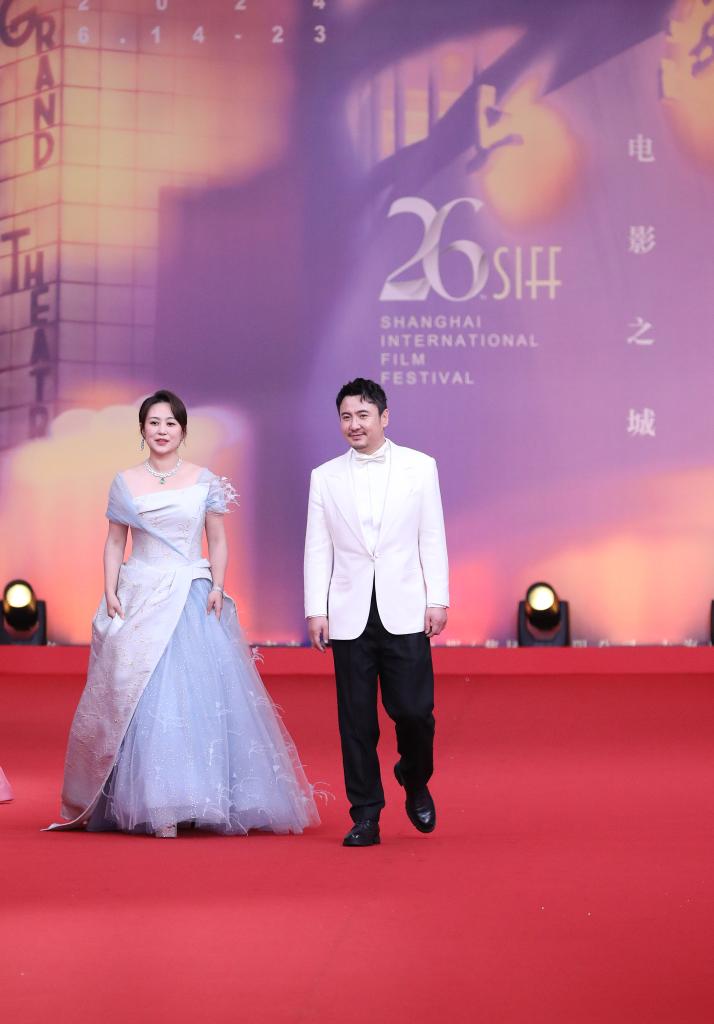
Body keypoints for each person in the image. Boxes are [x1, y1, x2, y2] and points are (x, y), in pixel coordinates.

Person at [49, 389, 319, 838]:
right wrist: (110, 589)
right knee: (140, 697)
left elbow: (218, 539)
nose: (162, 430)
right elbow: (115, 541)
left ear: (183, 430)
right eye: (154, 423)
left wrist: (218, 585)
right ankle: (159, 803)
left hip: (190, 594)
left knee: (196, 699)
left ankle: (200, 798)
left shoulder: (203, 479)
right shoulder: (125, 481)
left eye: (170, 423)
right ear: (142, 429)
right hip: (140, 593)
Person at [304, 378, 449, 846]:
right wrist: (316, 608)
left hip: (404, 607)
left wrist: (437, 598)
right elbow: (317, 547)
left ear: (384, 417)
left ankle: (414, 775)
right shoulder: (325, 477)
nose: (354, 424)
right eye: (346, 416)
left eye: (363, 415)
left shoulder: (420, 467)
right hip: (349, 612)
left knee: (415, 712)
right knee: (356, 721)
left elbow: (432, 535)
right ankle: (366, 814)